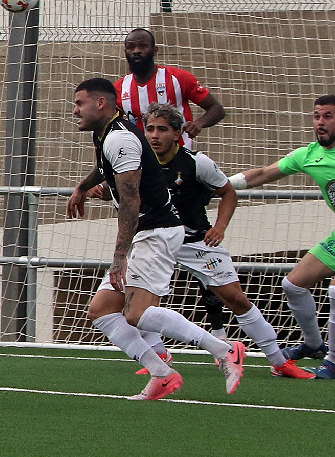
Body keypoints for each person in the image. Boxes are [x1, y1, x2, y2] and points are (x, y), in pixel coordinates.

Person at [68, 78, 246, 401]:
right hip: (148, 232)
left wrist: (119, 257)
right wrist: (82, 186)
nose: (75, 110)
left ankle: (224, 349)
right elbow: (103, 169)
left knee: (136, 314)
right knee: (101, 310)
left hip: (158, 232)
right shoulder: (105, 133)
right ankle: (162, 374)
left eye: (79, 103)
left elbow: (131, 200)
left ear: (100, 104)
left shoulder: (120, 139)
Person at [132, 103, 313, 379]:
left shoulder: (196, 163)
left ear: (178, 133)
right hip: (156, 241)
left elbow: (228, 192)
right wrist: (96, 190)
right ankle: (159, 355)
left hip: (196, 242)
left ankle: (279, 361)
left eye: (162, 129)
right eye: (150, 129)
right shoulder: (138, 163)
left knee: (235, 298)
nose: (154, 135)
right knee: (133, 301)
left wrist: (219, 227)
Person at [116, 27, 229, 337]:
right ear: (125, 52)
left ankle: (218, 329)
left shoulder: (178, 79)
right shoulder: (119, 90)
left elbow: (216, 108)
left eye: (142, 46)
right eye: (131, 46)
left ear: (155, 50)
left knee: (196, 241)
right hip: (147, 177)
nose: (137, 51)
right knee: (146, 249)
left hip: (182, 172)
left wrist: (199, 123)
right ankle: (154, 341)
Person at [227, 95, 335, 379]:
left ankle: (333, 364)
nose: (320, 123)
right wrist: (220, 184)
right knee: (293, 284)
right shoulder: (309, 155)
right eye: (316, 116)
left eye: (328, 116)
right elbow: (263, 174)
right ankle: (314, 344)